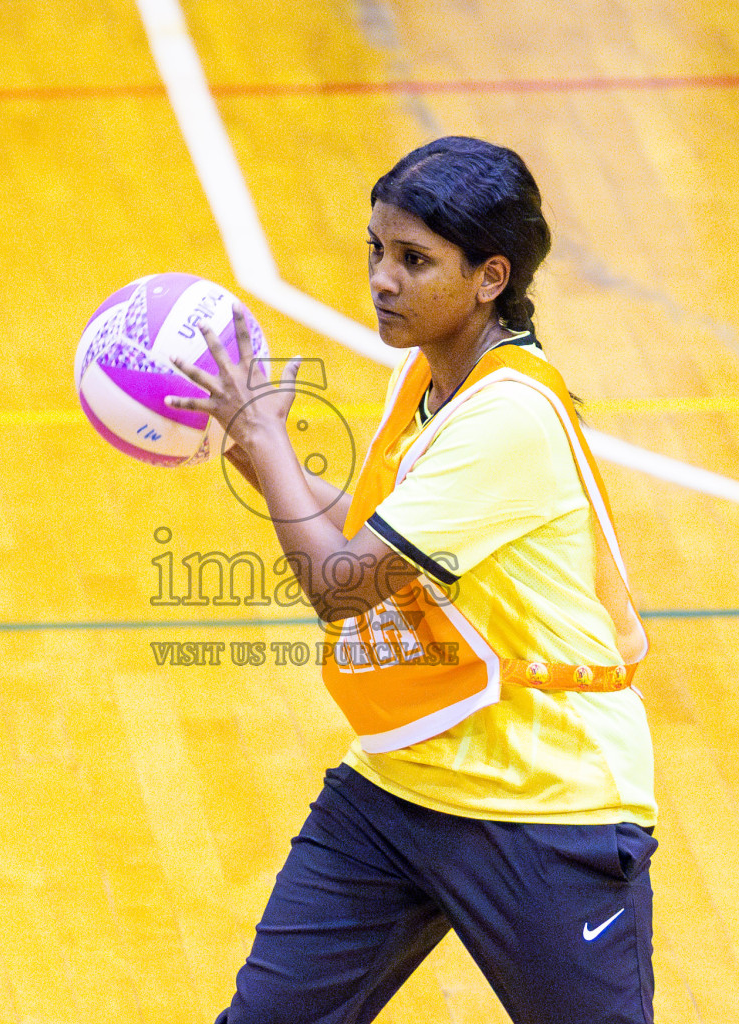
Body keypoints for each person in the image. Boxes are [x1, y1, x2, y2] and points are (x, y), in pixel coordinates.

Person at [169, 136, 657, 1023]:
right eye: (376, 250)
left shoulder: (510, 416)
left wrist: (271, 441)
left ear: (490, 277)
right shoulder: (427, 375)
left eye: (414, 259)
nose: (382, 280)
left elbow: (342, 587)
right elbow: (376, 538)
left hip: (544, 798)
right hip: (403, 777)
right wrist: (261, 459)